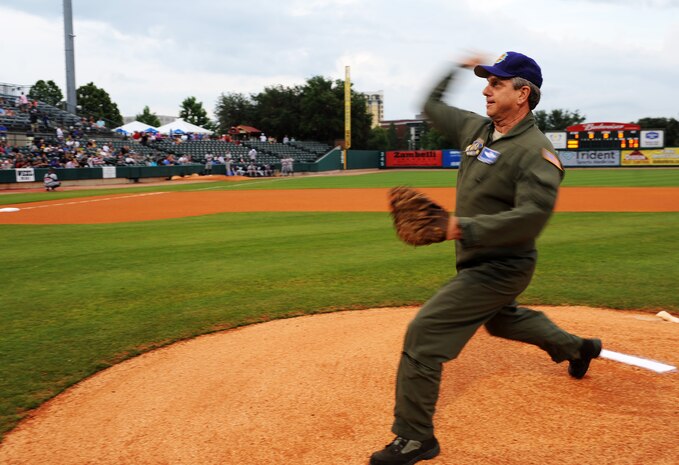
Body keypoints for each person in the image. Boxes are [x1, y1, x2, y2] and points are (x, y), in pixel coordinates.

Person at [369, 52, 602, 465]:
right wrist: (453, 68)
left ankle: (414, 438)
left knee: (425, 334)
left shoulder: (536, 151)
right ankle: (578, 348)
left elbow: (532, 217)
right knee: (501, 319)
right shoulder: (478, 130)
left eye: (497, 83)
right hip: (477, 260)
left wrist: (461, 228)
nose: (486, 90)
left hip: (503, 265)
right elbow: (431, 108)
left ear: (523, 93)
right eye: (487, 82)